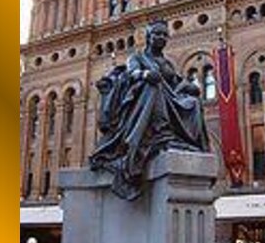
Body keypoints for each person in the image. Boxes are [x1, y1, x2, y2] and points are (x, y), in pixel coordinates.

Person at [89, 19, 210, 200]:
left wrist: (189, 86)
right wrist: (145, 74)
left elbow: (176, 82)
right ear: (149, 37)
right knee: (153, 86)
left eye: (164, 34)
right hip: (142, 100)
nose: (161, 37)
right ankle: (151, 138)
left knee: (192, 102)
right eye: (157, 34)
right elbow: (131, 73)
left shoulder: (167, 64)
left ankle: (185, 140)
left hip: (170, 100)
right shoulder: (137, 58)